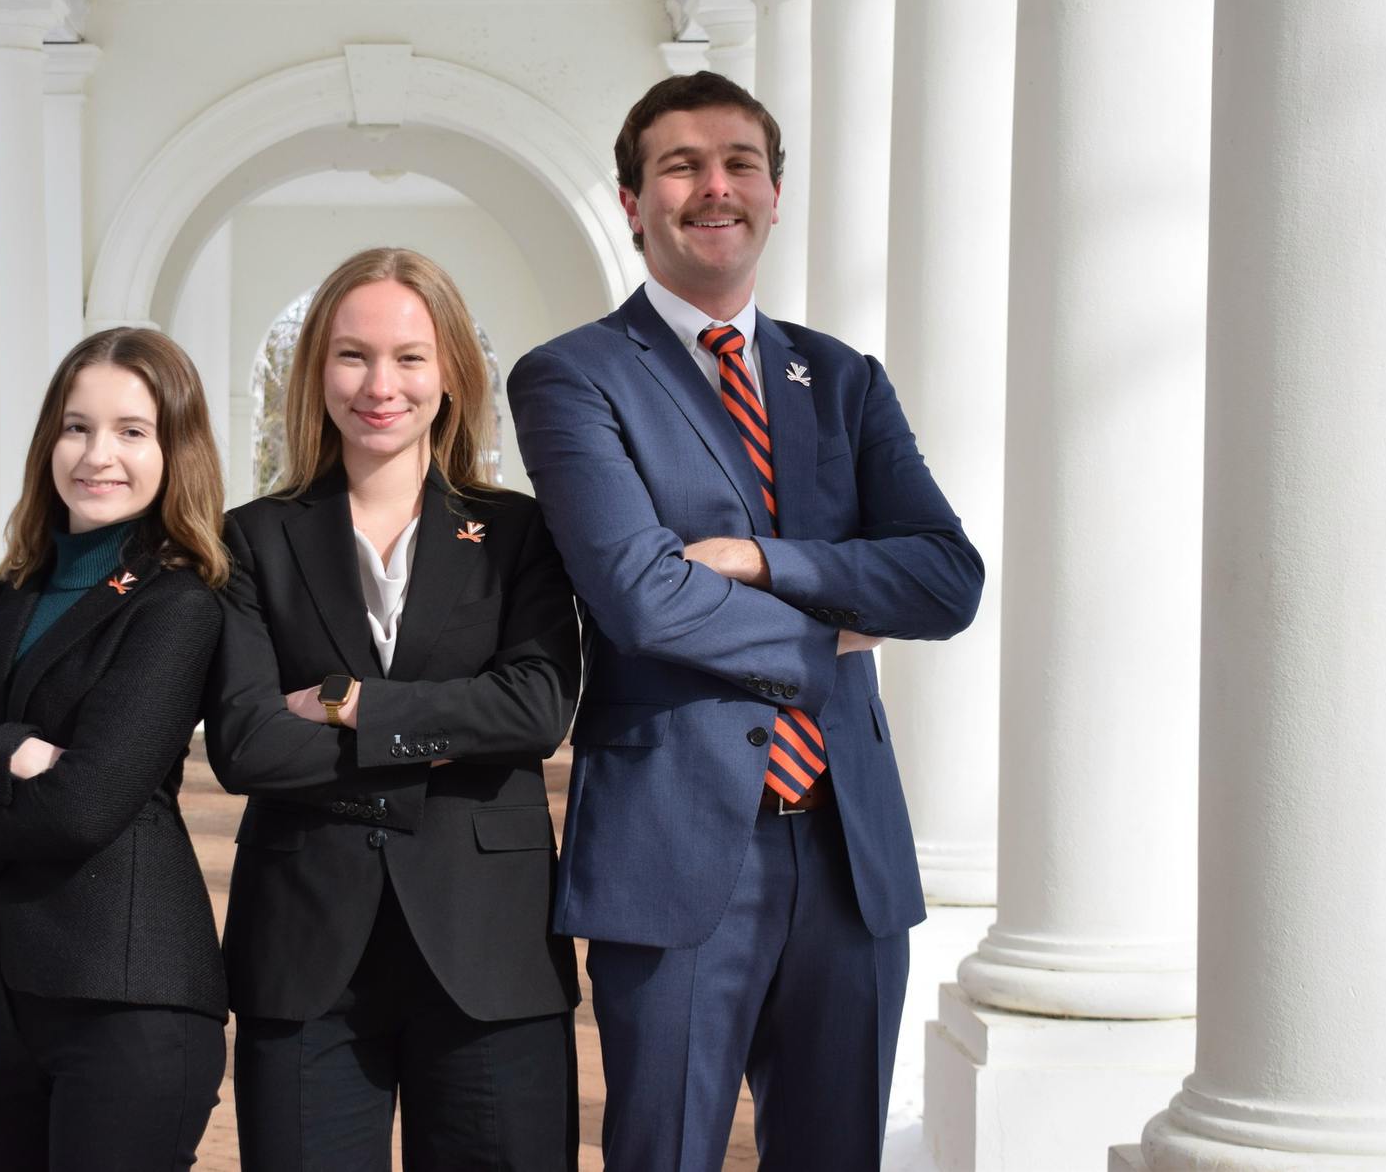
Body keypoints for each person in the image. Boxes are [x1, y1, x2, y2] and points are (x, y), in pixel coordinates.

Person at [508, 72, 985, 1171]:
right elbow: (638, 595)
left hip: (848, 843)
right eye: (679, 165)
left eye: (738, 163)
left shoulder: (844, 379)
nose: (712, 186)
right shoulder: (572, 377)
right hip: (672, 847)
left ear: (774, 192)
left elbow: (945, 578)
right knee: (663, 1150)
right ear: (631, 201)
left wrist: (762, 559)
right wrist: (833, 628)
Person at [206, 247, 582, 1171]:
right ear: (315, 372)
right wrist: (452, 729)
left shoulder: (519, 532)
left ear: (449, 371)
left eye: (409, 357)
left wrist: (346, 705)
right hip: (304, 949)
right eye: (352, 355)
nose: (382, 384)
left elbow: (535, 709)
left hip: (488, 943)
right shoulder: (252, 538)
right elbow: (248, 745)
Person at [0, 328, 231, 1171]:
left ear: (176, 450)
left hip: (126, 996)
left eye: (132, 431)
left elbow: (80, 808)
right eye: (76, 427)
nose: (98, 454)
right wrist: (9, 752)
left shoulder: (179, 604)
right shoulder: (8, 593)